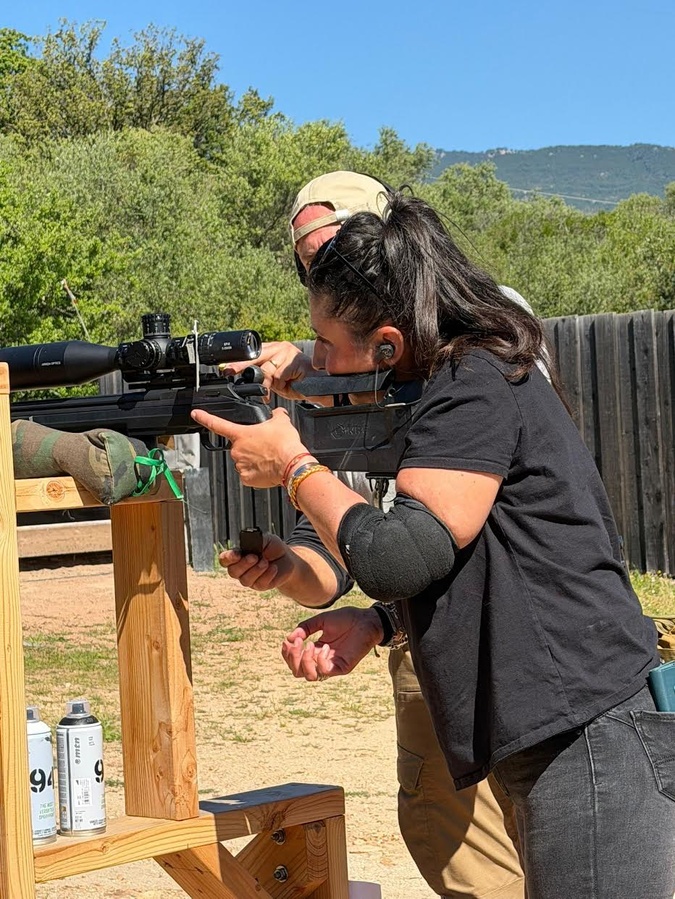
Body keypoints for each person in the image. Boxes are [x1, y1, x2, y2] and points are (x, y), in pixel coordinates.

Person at [193, 187, 674, 899]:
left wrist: (296, 469)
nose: (310, 360)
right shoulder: (455, 377)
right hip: (563, 726)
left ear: (387, 343)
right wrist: (377, 621)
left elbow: (397, 554)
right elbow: (483, 556)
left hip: (587, 728)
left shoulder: (473, 377)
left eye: (324, 343)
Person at [218, 172, 526, 899]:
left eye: (339, 247)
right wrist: (286, 568)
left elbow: (464, 512)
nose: (325, 265)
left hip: (517, 633)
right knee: (460, 856)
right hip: (423, 638)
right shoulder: (342, 370)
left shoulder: (483, 332)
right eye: (310, 259)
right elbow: (343, 556)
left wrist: (297, 452)